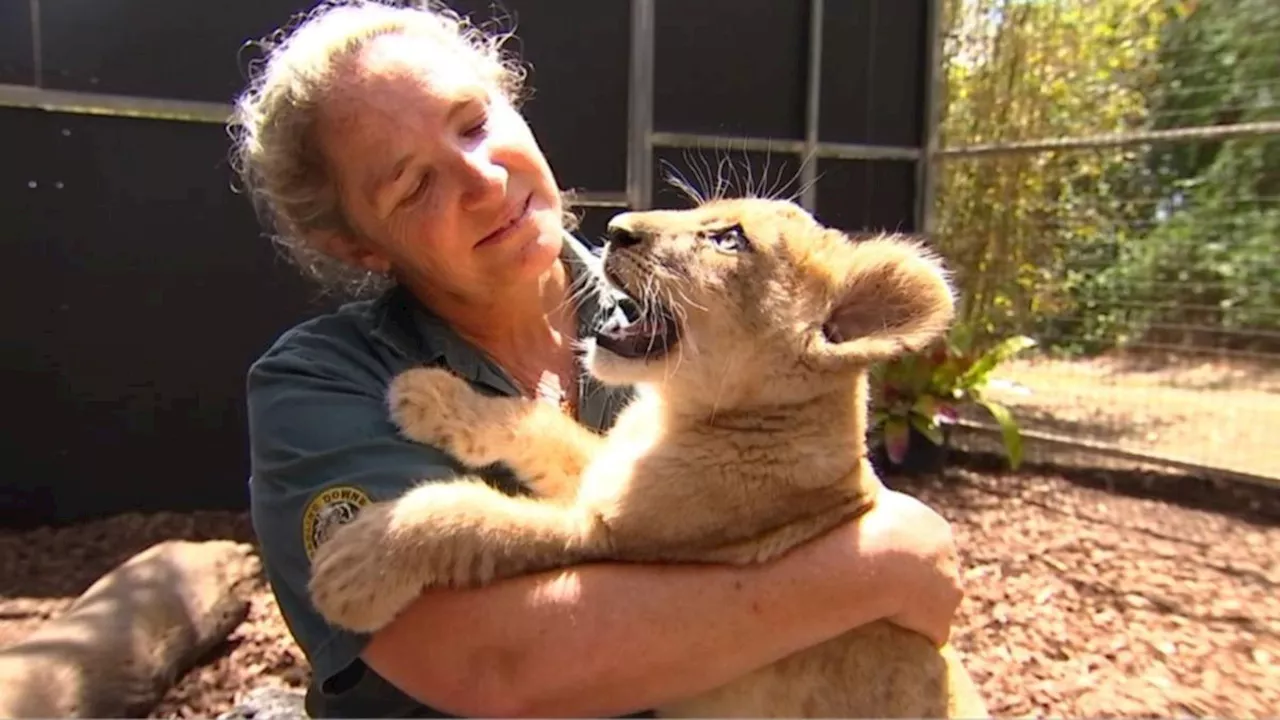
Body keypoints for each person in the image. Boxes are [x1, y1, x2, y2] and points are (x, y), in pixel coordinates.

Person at [232, 1, 966, 717]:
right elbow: (498, 666)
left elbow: (620, 510)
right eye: (416, 183)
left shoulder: (674, 339)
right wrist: (866, 571)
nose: (484, 181)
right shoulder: (320, 386)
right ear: (358, 244)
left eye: (476, 123)